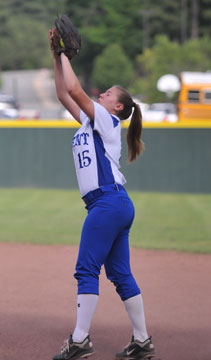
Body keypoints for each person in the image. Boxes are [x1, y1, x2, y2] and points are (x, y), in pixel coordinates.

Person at [49, 28, 156, 360]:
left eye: (108, 93)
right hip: (115, 203)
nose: (103, 94)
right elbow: (64, 95)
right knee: (120, 273)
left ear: (117, 106)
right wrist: (56, 55)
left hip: (107, 203)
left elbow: (74, 88)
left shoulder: (109, 122)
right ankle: (142, 341)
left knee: (86, 269)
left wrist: (66, 55)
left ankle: (80, 340)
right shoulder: (91, 122)